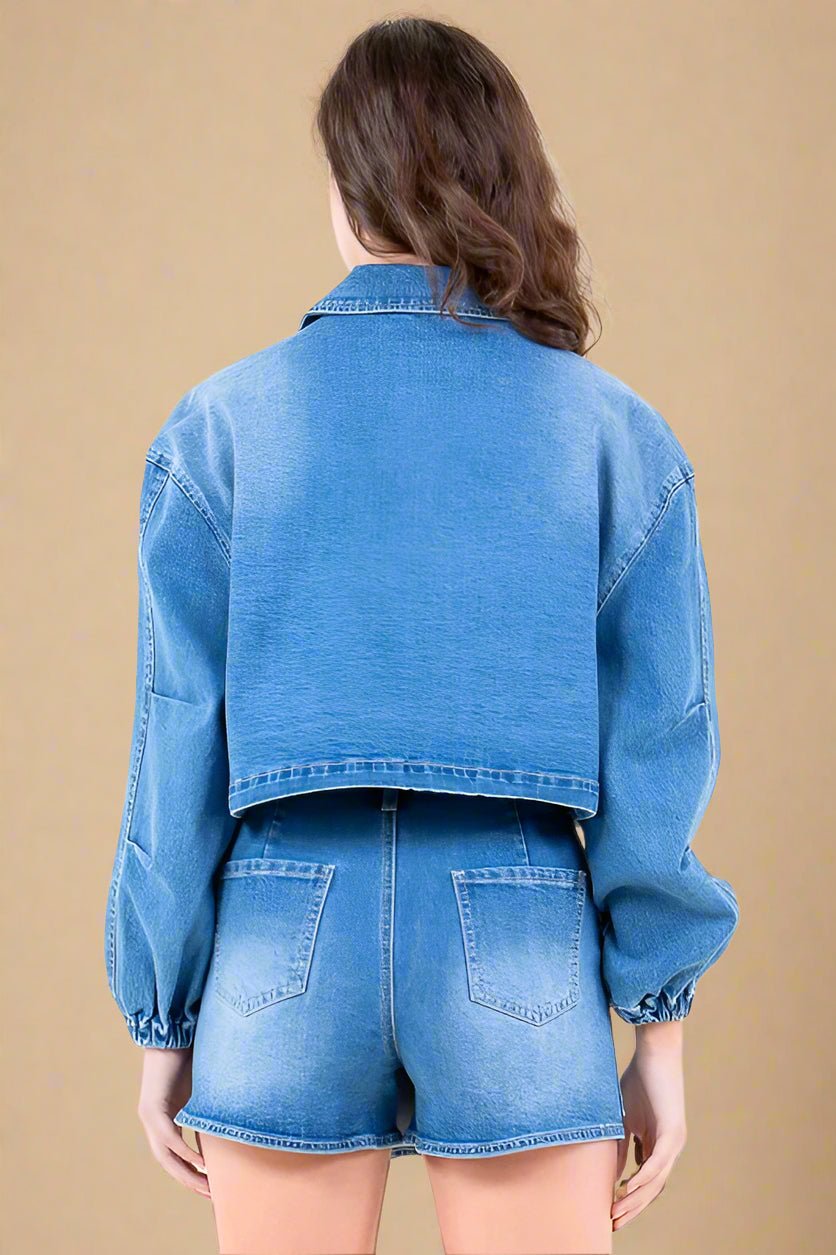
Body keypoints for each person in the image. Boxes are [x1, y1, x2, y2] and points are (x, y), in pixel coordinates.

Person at [103, 16, 740, 1255]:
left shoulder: (219, 428)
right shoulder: (609, 431)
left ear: (344, 188)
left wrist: (161, 1022)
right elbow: (656, 749)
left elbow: (176, 741)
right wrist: (658, 1031)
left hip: (280, 928)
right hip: (517, 926)